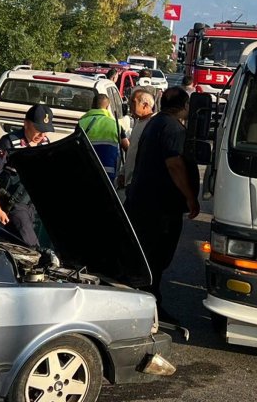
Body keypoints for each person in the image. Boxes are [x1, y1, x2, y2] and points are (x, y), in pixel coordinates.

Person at [124, 85, 199, 323]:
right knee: (156, 257)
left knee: (149, 257)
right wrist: (190, 197)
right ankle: (149, 307)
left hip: (143, 202)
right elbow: (174, 164)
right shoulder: (172, 128)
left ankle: (146, 303)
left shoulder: (154, 123)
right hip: (160, 208)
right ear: (183, 106)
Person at [0, 104, 55, 247]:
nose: (42, 135)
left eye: (45, 131)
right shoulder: (9, 142)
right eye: (39, 130)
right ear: (26, 123)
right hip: (15, 204)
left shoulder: (44, 143)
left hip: (33, 205)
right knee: (31, 245)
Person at [79, 95, 124, 185]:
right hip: (108, 173)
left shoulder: (81, 123)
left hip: (86, 170)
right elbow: (127, 146)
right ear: (107, 107)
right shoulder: (115, 124)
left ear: (92, 105)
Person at [120, 88, 157, 196]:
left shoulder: (152, 124)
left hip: (140, 185)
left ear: (145, 105)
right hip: (130, 183)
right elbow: (132, 150)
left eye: (133, 102)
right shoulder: (138, 122)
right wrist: (123, 172)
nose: (130, 106)